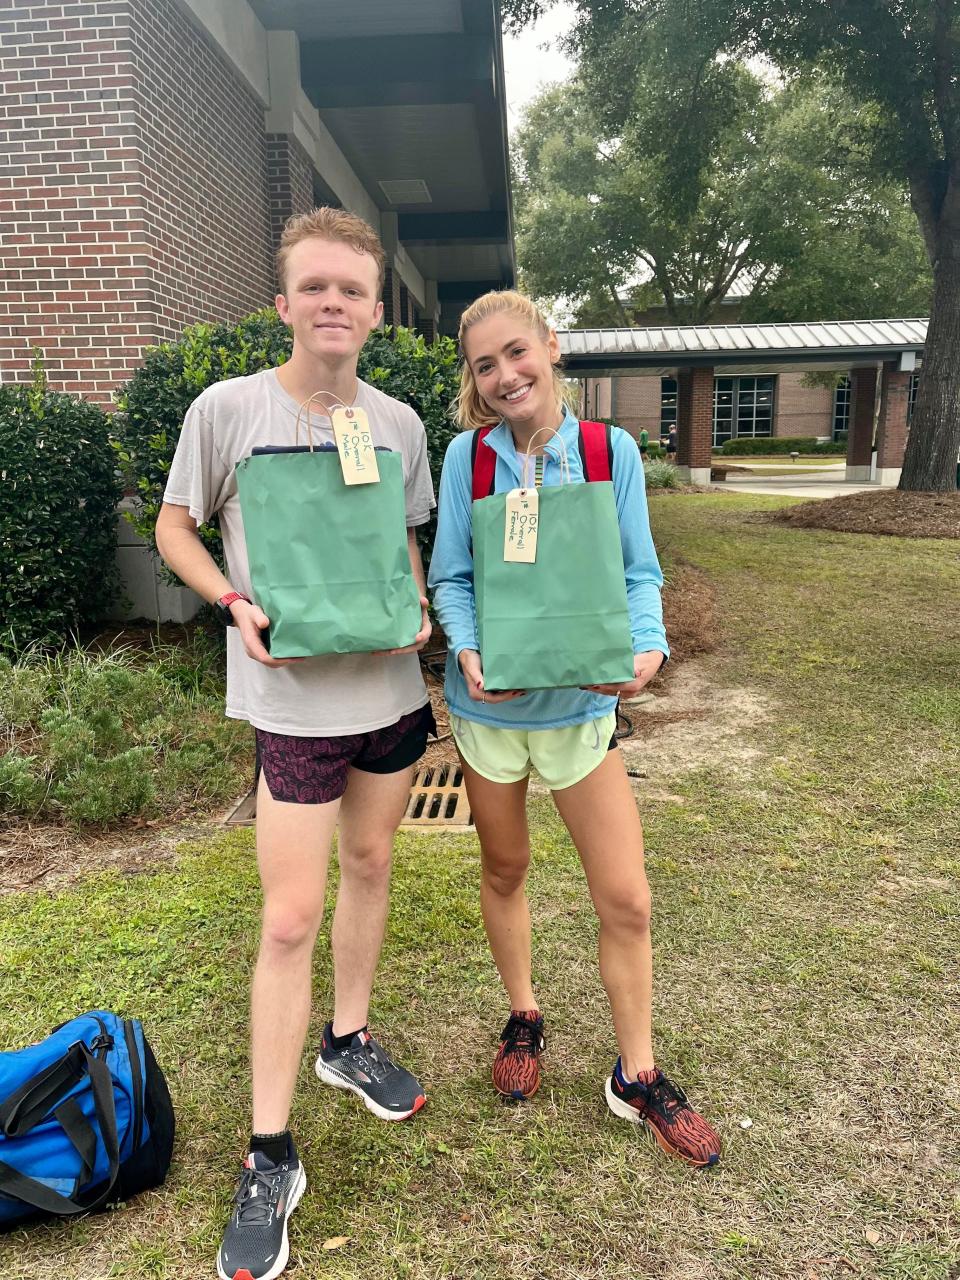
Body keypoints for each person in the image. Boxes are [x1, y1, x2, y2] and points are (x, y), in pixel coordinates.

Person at [156, 207, 436, 1280]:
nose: (333, 304)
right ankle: (270, 1149)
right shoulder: (228, 410)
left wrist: (415, 604)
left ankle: (347, 1039)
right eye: (313, 286)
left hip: (390, 697)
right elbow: (178, 522)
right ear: (284, 304)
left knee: (372, 864)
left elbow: (400, 540)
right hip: (293, 711)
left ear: (374, 311)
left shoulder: (400, 422)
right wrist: (230, 596)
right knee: (288, 917)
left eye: (352, 290)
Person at [428, 290, 721, 1168]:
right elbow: (452, 578)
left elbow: (639, 571)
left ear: (551, 348)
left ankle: (637, 1072)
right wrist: (469, 649)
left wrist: (649, 648)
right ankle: (524, 1014)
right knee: (506, 866)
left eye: (517, 353)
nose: (505, 375)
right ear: (475, 381)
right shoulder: (467, 460)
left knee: (625, 897)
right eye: (485, 365)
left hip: (583, 712)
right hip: (491, 712)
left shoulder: (609, 450)